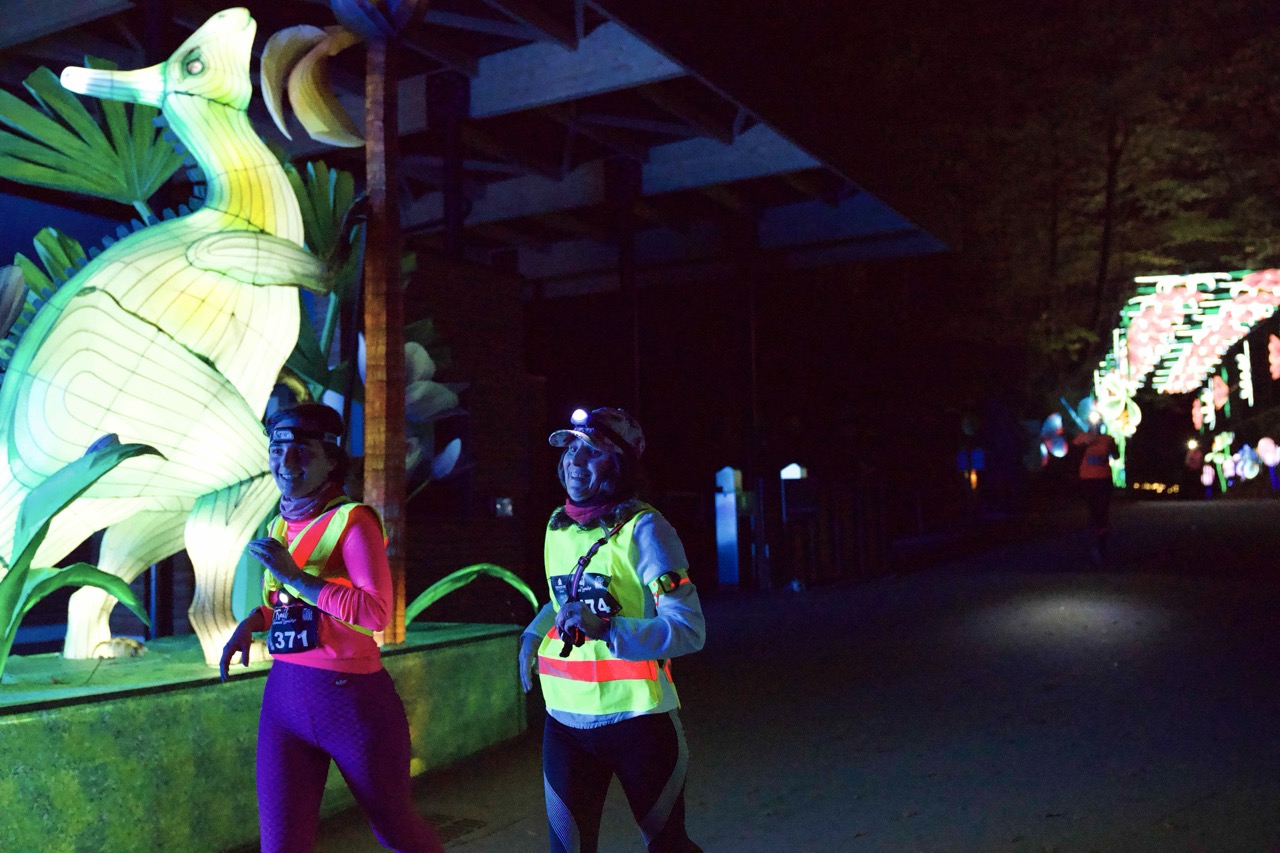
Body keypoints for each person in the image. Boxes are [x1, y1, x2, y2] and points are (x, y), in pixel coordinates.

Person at [220, 403, 443, 853]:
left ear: (331, 460)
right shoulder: (279, 524)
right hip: (284, 699)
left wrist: (296, 576)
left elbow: (375, 613)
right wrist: (253, 622)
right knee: (281, 846)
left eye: (302, 450)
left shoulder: (354, 521)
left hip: (351, 702)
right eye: (277, 449)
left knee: (396, 831)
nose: (286, 461)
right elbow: (285, 605)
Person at [518, 407, 706, 853]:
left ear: (621, 464)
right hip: (564, 724)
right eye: (571, 448)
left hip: (639, 723)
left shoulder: (647, 529)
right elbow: (563, 601)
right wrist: (533, 634)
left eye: (593, 452)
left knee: (669, 847)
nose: (574, 460)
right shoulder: (558, 526)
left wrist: (606, 628)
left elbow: (688, 629)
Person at [1072, 412, 1119, 563]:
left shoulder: (1108, 439)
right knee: (1093, 511)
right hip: (1087, 479)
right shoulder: (1081, 438)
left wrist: (1112, 448)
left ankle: (1102, 545)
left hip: (1104, 478)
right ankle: (1092, 543)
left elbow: (1116, 455)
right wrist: (1086, 443)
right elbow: (1072, 454)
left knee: (1102, 511)